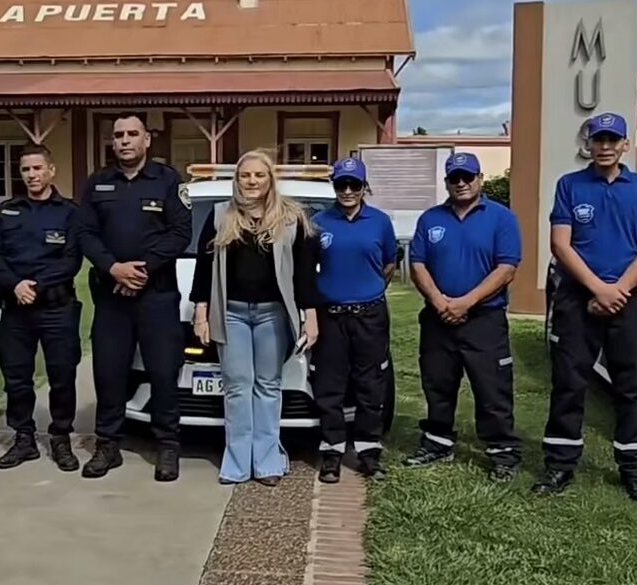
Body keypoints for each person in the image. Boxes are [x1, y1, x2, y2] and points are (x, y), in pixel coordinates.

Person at [533, 112, 637, 505]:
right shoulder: (570, 185)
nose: (605, 146)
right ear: (588, 144)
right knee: (570, 382)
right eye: (598, 139)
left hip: (629, 296)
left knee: (633, 386)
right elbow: (560, 244)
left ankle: (634, 472)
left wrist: (617, 290)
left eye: (613, 140)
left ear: (625, 144)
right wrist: (596, 289)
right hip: (577, 295)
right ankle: (560, 465)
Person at [190, 149, 320, 486]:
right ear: (237, 180)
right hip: (230, 314)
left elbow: (305, 276)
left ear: (269, 180)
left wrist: (311, 317)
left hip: (272, 316)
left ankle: (266, 462)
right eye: (245, 175)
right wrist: (201, 313)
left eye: (259, 175)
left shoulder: (292, 219)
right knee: (237, 388)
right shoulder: (220, 216)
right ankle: (235, 463)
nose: (252, 181)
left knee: (267, 386)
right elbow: (204, 271)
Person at [75, 113, 192, 482]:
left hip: (156, 296)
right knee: (109, 373)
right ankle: (107, 445)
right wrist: (114, 269)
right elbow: (86, 235)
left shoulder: (168, 180)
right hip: (111, 296)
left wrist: (142, 270)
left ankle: (167, 447)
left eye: (132, 134)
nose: (125, 140)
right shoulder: (97, 184)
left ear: (147, 141)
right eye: (118, 135)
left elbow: (180, 232)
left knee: (162, 372)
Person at [405, 152, 524, 483]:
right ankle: (437, 442)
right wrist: (439, 301)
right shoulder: (431, 219)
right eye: (454, 178)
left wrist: (465, 303)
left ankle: (502, 452)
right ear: (446, 182)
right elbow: (418, 264)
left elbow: (507, 268)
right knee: (437, 384)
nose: (461, 183)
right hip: (438, 318)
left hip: (484, 319)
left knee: (492, 388)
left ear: (480, 179)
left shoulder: (501, 218)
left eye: (467, 177)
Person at [0, 144, 83, 472]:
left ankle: (60, 438)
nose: (31, 175)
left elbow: (71, 260)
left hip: (57, 307)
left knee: (61, 376)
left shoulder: (70, 212)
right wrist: (15, 285)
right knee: (16, 378)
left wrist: (36, 286)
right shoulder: (8, 211)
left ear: (51, 171)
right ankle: (24, 439)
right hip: (16, 309)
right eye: (26, 169)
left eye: (37, 168)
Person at [311, 157, 398, 484]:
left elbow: (389, 264)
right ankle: (332, 452)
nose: (347, 191)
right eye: (341, 185)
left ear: (364, 187)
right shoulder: (319, 222)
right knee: (330, 387)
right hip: (331, 316)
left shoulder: (380, 222)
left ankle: (368, 452)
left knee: (370, 384)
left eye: (354, 185)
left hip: (370, 316)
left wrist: (368, 291)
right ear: (334, 187)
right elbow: (309, 268)